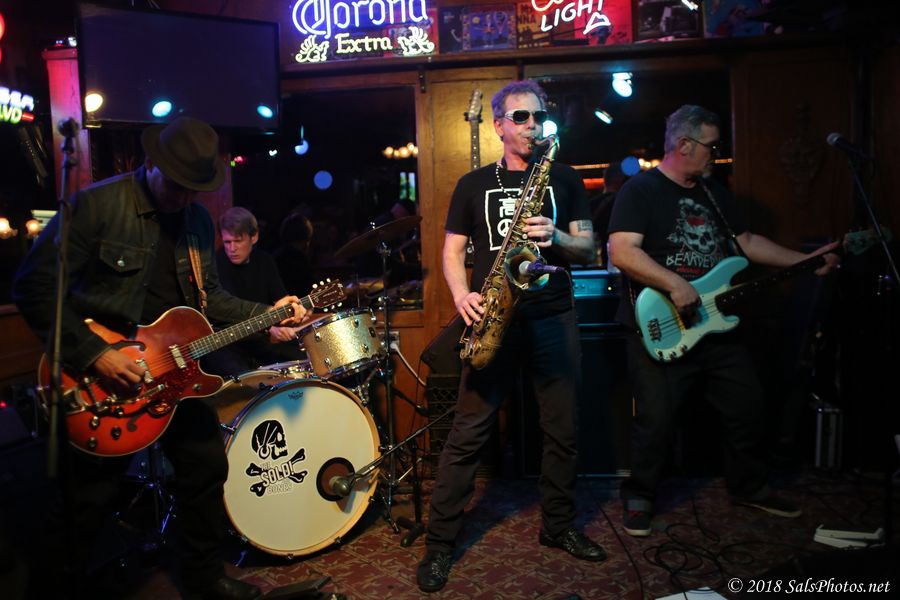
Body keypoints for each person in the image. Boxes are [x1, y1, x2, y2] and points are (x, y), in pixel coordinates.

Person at [12, 117, 308, 599]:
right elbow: (33, 287)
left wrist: (267, 315)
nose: (183, 197)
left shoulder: (196, 220)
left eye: (194, 188)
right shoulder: (96, 206)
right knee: (86, 501)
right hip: (104, 381)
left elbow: (210, 299)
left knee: (206, 468)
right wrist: (97, 355)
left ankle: (204, 581)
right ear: (149, 162)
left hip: (174, 375)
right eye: (175, 184)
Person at [607, 104, 840, 537]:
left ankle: (748, 486)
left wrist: (805, 260)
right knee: (656, 418)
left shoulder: (715, 193)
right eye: (711, 146)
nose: (716, 154)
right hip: (660, 322)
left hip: (714, 321)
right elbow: (621, 251)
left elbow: (746, 243)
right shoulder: (641, 190)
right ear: (684, 145)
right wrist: (674, 283)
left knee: (747, 405)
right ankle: (640, 494)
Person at [416, 80, 606, 593]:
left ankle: (558, 527)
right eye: (520, 117)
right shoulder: (473, 183)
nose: (531, 125)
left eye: (537, 116)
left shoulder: (565, 177)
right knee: (467, 433)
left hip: (551, 314)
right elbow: (452, 252)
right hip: (494, 318)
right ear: (499, 125)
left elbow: (588, 249)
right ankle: (439, 545)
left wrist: (557, 236)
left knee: (562, 429)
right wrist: (462, 296)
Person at [204, 206, 306, 376]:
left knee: (304, 362)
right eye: (227, 242)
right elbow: (220, 313)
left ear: (254, 237)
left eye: (238, 241)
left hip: (261, 343)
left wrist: (292, 315)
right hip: (228, 345)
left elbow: (281, 301)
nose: (232, 248)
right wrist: (269, 327)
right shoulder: (214, 264)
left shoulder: (264, 261)